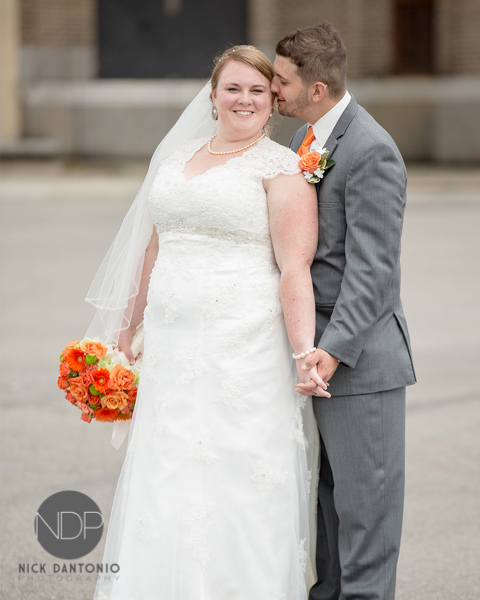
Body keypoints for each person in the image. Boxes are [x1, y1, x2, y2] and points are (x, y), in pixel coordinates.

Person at [87, 45, 320, 599]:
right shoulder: (175, 159)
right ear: (212, 95)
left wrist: (303, 349)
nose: (244, 100)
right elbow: (152, 249)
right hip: (170, 345)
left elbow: (295, 267)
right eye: (233, 88)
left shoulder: (282, 169)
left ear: (273, 101)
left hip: (244, 348)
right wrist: (126, 332)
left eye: (256, 91)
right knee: (165, 469)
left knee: (238, 474)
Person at [270, 23, 416, 600]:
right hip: (320, 351)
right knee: (330, 505)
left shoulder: (371, 149)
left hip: (359, 359)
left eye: (281, 82)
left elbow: (374, 270)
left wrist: (331, 350)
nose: (272, 89)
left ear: (318, 89)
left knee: (366, 513)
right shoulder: (305, 140)